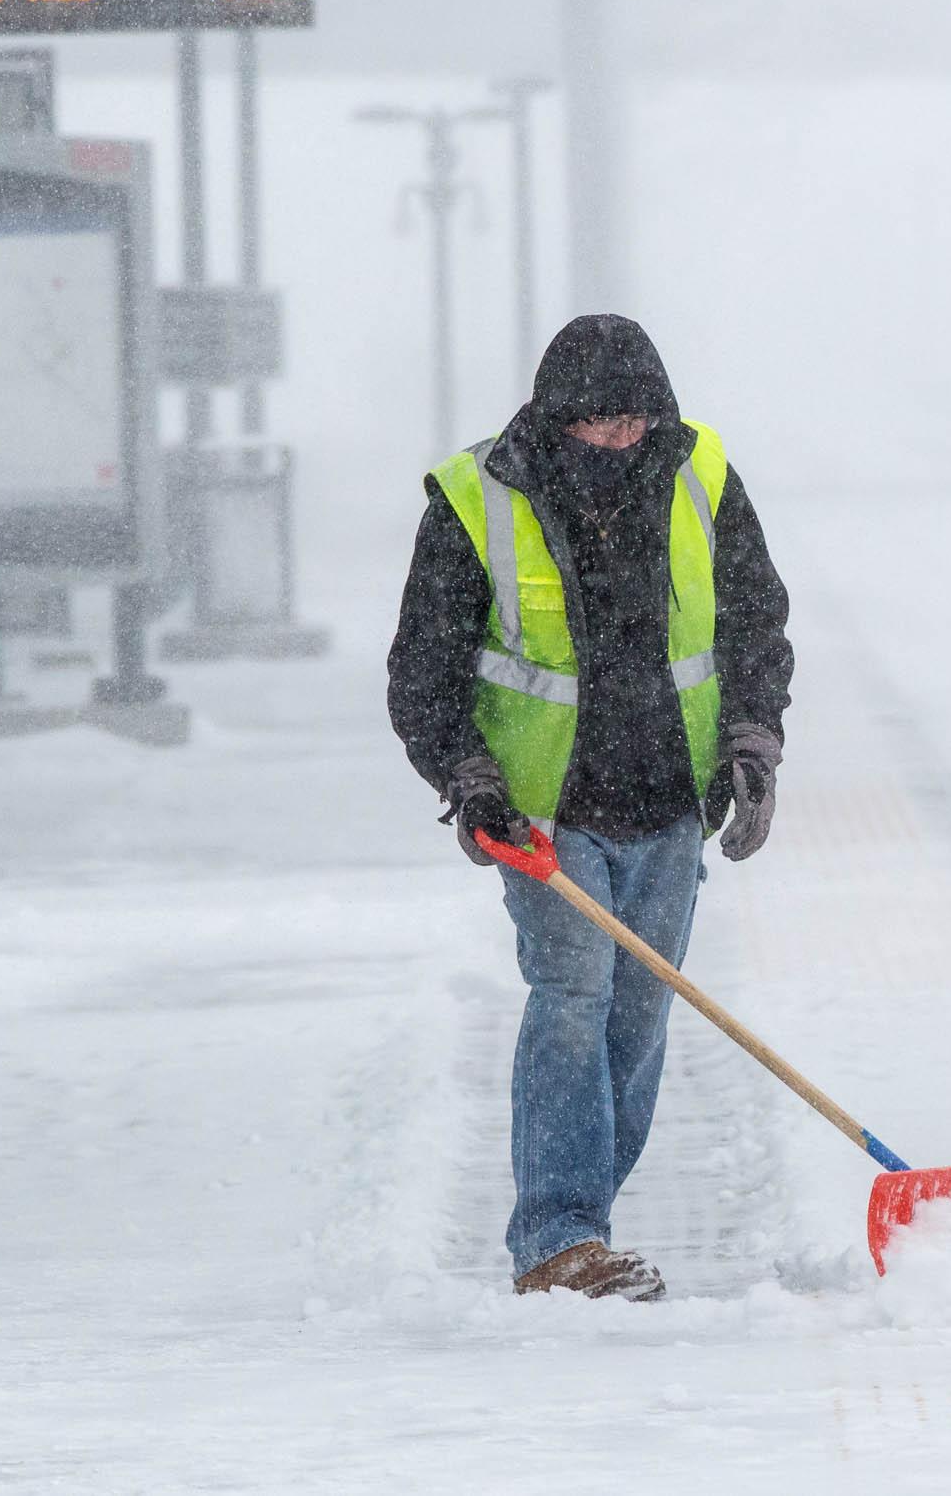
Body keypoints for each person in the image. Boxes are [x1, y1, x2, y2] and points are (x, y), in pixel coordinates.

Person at [387, 313, 793, 1301]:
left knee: (636, 1017)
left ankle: (583, 1227)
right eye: (598, 423)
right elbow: (423, 670)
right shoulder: (476, 497)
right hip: (545, 811)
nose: (618, 439)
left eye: (635, 421)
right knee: (572, 1001)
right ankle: (557, 1237)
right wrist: (469, 778)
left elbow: (752, 623)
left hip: (666, 801)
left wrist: (752, 741)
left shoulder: (699, 476)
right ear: (557, 415)